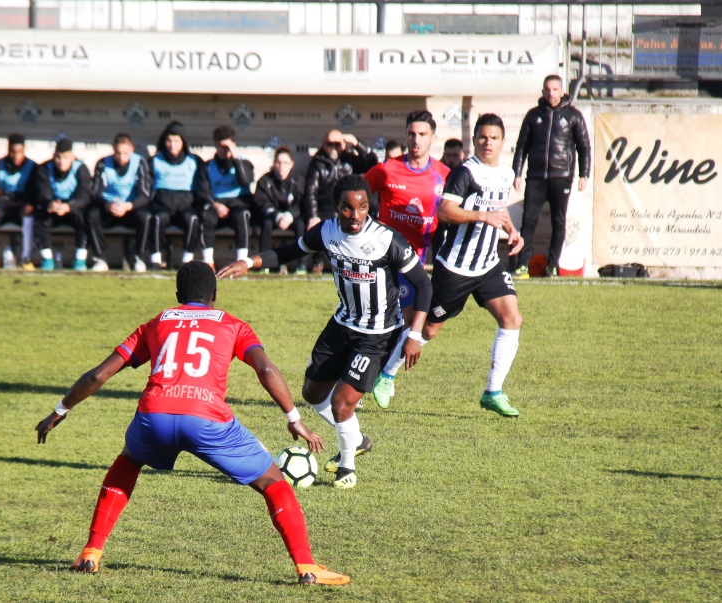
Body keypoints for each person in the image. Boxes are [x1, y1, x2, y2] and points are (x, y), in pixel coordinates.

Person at [33, 262, 350, 587]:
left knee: (128, 461)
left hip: (153, 416)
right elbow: (266, 370)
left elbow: (99, 375)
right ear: (214, 294)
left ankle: (91, 552)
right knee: (273, 481)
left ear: (177, 295)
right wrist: (294, 419)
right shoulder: (233, 324)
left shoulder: (156, 323)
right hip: (206, 419)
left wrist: (60, 409)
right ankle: (306, 567)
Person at [218, 175, 432, 489]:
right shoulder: (327, 231)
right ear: (336, 208)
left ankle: (347, 467)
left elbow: (424, 285)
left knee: (342, 403)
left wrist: (413, 336)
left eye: (362, 207)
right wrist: (250, 261)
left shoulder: (386, 239)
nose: (356, 215)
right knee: (312, 393)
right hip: (342, 324)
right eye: (348, 208)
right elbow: (289, 251)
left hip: (377, 335)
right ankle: (356, 439)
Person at [379, 114, 525, 418]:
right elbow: (445, 211)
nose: (488, 143)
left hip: (487, 264)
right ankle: (387, 374)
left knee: (512, 319)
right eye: (483, 138)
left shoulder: (506, 173)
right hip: (456, 267)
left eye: (494, 138)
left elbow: (497, 210)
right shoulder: (464, 173)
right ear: (475, 140)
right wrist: (483, 217)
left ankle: (493, 392)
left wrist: (511, 231)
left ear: (502, 141)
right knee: (428, 330)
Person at [365, 110, 450, 408]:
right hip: (384, 261)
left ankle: (381, 375)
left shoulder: (444, 175)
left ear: (433, 137)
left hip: (418, 264)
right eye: (412, 134)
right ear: (405, 136)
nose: (416, 140)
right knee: (379, 324)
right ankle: (358, 382)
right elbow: (357, 196)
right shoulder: (386, 170)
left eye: (423, 134)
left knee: (420, 325)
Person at [511, 74, 591, 278]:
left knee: (558, 221)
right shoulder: (533, 115)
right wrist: (517, 174)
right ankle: (522, 265)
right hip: (536, 176)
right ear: (543, 92)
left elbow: (584, 147)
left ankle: (553, 266)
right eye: (547, 89)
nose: (551, 93)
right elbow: (522, 146)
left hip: (561, 176)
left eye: (555, 89)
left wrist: (584, 174)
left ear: (562, 91)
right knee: (528, 221)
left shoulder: (573, 115)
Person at [302, 130, 377, 273]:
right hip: (326, 206)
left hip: (349, 205)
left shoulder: (350, 159)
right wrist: (313, 215)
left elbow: (372, 163)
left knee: (356, 218)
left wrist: (356, 143)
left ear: (343, 144)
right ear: (323, 145)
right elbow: (310, 191)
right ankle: (318, 263)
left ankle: (355, 263)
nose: (333, 148)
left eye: (337, 144)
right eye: (329, 144)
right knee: (321, 224)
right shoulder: (318, 162)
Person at [88, 133, 153, 273]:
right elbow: (95, 193)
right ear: (113, 150)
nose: (121, 157)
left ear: (132, 149)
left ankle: (139, 258)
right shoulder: (103, 163)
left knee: (146, 216)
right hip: (109, 208)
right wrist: (107, 205)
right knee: (92, 214)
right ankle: (100, 258)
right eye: (117, 153)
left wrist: (129, 206)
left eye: (125, 153)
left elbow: (145, 195)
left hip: (130, 209)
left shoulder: (140, 163)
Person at [149, 121, 209, 268]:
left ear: (183, 142)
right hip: (162, 206)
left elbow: (202, 187)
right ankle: (156, 259)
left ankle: (186, 260)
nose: (172, 145)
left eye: (176, 141)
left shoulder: (194, 161)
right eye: (169, 141)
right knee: (157, 219)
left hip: (186, 206)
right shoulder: (155, 161)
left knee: (193, 219)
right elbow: (148, 188)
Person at [0, 134, 37, 270]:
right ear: (8, 150)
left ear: (24, 151)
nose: (16, 156)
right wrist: (3, 199)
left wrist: (9, 196)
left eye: (20, 152)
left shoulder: (32, 167)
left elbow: (34, 194)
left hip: (19, 210)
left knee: (29, 210)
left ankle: (26, 258)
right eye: (13, 152)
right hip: (0, 209)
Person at [32, 138, 92, 271]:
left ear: (72, 157)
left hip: (72, 208)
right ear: (54, 156)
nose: (61, 162)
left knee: (86, 217)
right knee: (39, 217)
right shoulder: (44, 168)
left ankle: (80, 260)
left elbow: (84, 196)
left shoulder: (81, 168)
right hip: (53, 208)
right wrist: (50, 203)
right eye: (58, 157)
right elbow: (41, 193)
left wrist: (69, 207)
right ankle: (47, 259)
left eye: (65, 158)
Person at [200, 125, 254, 268]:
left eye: (227, 146)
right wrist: (215, 204)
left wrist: (235, 158)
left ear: (234, 145)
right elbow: (203, 191)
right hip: (217, 204)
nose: (224, 150)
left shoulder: (244, 163)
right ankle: (208, 262)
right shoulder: (208, 166)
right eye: (220, 146)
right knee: (206, 216)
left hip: (239, 203)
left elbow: (245, 181)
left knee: (243, 215)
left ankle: (241, 261)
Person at [253, 146, 306, 273]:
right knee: (266, 223)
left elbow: (303, 205)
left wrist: (289, 216)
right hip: (272, 217)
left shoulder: (299, 181)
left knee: (301, 224)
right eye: (278, 162)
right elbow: (261, 202)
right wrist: (277, 216)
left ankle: (302, 265)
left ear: (291, 164)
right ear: (274, 164)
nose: (281, 166)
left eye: (285, 163)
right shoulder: (265, 181)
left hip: (293, 218)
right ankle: (264, 264)